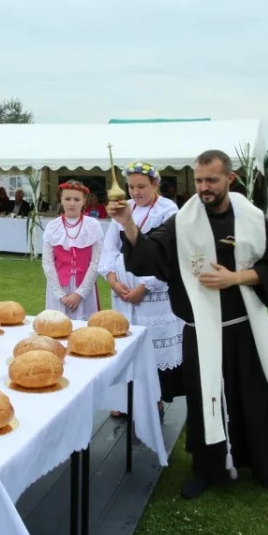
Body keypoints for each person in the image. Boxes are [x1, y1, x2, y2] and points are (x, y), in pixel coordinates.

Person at [108, 149, 268, 498]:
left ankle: (261, 464)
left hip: (245, 327)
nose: (204, 187)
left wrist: (236, 278)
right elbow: (152, 255)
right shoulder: (184, 221)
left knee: (253, 396)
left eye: (211, 180)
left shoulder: (253, 218)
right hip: (200, 330)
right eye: (198, 180)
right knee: (202, 398)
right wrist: (129, 226)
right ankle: (206, 469)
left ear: (230, 178)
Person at [99, 161, 185, 419]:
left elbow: (167, 255)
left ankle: (154, 399)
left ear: (155, 184)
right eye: (131, 187)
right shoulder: (126, 208)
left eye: (141, 187)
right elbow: (110, 247)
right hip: (123, 294)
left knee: (152, 347)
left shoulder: (168, 210)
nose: (135, 192)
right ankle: (124, 399)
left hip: (153, 298)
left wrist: (144, 286)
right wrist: (113, 279)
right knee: (126, 344)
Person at [41, 180, 104, 319]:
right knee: (57, 328)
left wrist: (79, 293)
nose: (71, 203)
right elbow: (47, 263)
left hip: (84, 289)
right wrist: (60, 294)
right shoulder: (53, 227)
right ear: (61, 200)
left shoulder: (93, 226)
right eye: (67, 199)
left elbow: (96, 262)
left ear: (84, 201)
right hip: (59, 287)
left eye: (76, 199)